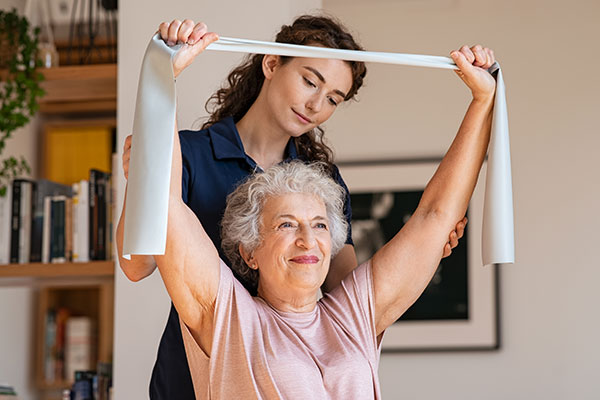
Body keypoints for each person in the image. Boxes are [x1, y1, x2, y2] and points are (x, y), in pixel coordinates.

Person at [116, 26, 496, 395]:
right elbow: (142, 255)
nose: (316, 104)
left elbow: (426, 221)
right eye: (310, 82)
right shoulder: (230, 315)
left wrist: (423, 251)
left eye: (333, 98)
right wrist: (162, 83)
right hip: (203, 368)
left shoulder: (324, 185)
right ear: (271, 64)